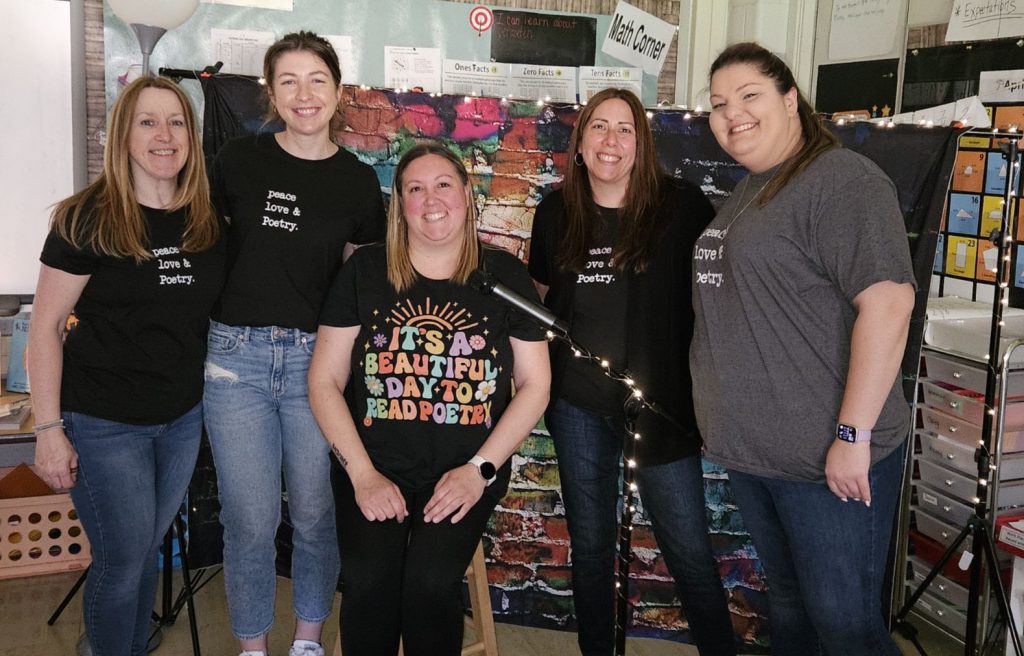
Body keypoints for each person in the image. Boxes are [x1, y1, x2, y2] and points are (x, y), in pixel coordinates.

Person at [692, 42, 916, 655]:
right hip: (761, 458)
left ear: (791, 99)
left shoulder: (841, 180)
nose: (730, 113)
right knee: (792, 612)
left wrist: (852, 436)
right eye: (717, 104)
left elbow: (890, 303)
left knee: (845, 626)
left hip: (828, 464)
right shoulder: (752, 192)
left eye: (749, 96)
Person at [308, 142, 550, 655]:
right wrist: (362, 475)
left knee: (429, 587)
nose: (430, 198)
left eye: (443, 184)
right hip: (374, 466)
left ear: (466, 194)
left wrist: (479, 471)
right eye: (414, 188)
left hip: (464, 470)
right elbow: (324, 382)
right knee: (370, 585)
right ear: (399, 204)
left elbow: (536, 386)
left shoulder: (504, 277)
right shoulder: (366, 273)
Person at [528, 88, 736, 656]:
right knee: (592, 548)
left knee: (689, 549)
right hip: (577, 406)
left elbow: (718, 293)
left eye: (625, 129)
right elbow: (544, 302)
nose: (611, 141)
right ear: (581, 141)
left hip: (662, 406)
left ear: (641, 145)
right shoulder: (554, 211)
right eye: (600, 127)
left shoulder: (682, 206)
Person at [202, 31, 385, 656]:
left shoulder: (359, 184)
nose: (304, 95)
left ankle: (307, 640)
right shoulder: (237, 162)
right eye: (288, 81)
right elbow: (205, 250)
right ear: (271, 93)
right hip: (235, 362)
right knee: (249, 521)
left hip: (317, 366)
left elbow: (362, 285)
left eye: (317, 81)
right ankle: (253, 648)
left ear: (338, 92)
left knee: (313, 515)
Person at [28, 75, 224, 656]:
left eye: (177, 122)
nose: (164, 135)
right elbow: (44, 328)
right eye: (148, 122)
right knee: (122, 559)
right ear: (124, 135)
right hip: (102, 421)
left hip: (180, 418)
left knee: (143, 551)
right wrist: (47, 430)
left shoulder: (206, 220)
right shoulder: (87, 217)